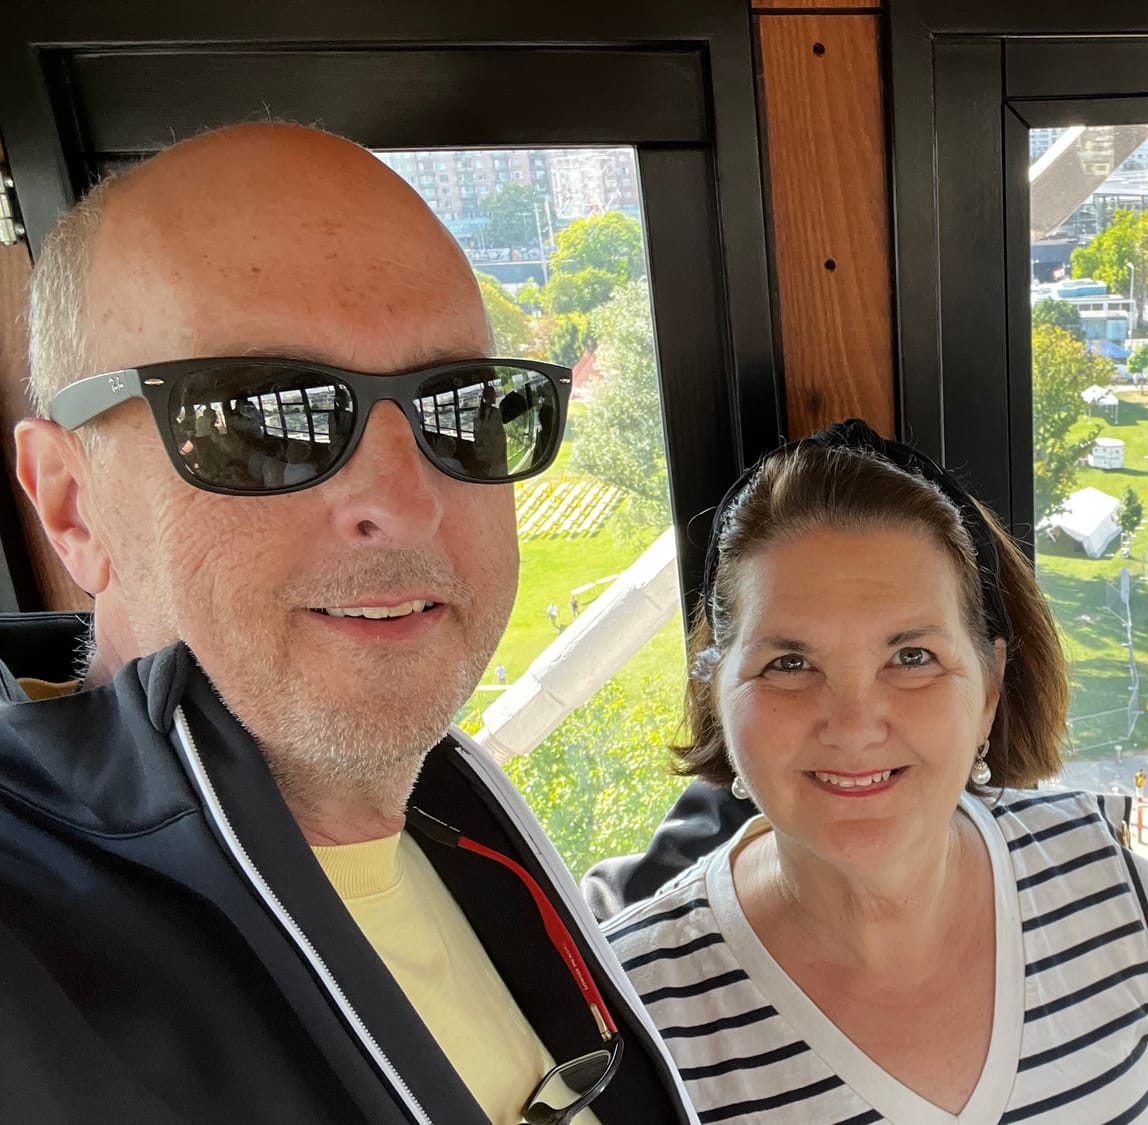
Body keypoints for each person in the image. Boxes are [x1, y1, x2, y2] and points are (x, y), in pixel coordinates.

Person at [0, 123, 709, 1122]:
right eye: (261, 417)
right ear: (72, 502)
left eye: (460, 406)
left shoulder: (464, 827)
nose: (405, 500)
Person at [605, 421, 1148, 1124]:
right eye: (789, 663)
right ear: (716, 696)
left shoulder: (1109, 881)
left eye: (911, 658)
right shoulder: (631, 1018)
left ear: (989, 689)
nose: (855, 725)